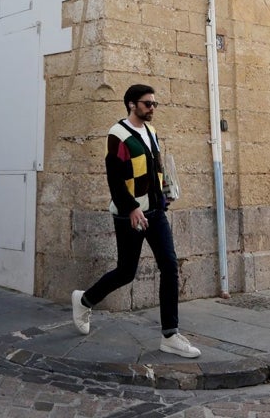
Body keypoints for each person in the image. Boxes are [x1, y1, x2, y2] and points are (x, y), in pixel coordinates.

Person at [71, 83, 201, 358]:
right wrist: (130, 208)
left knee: (169, 266)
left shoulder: (152, 132)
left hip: (155, 212)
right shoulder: (117, 134)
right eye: (147, 104)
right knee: (126, 272)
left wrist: (165, 194)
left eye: (154, 104)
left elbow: (157, 167)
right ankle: (84, 301)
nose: (152, 108)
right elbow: (114, 177)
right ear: (132, 104)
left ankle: (170, 335)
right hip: (130, 215)